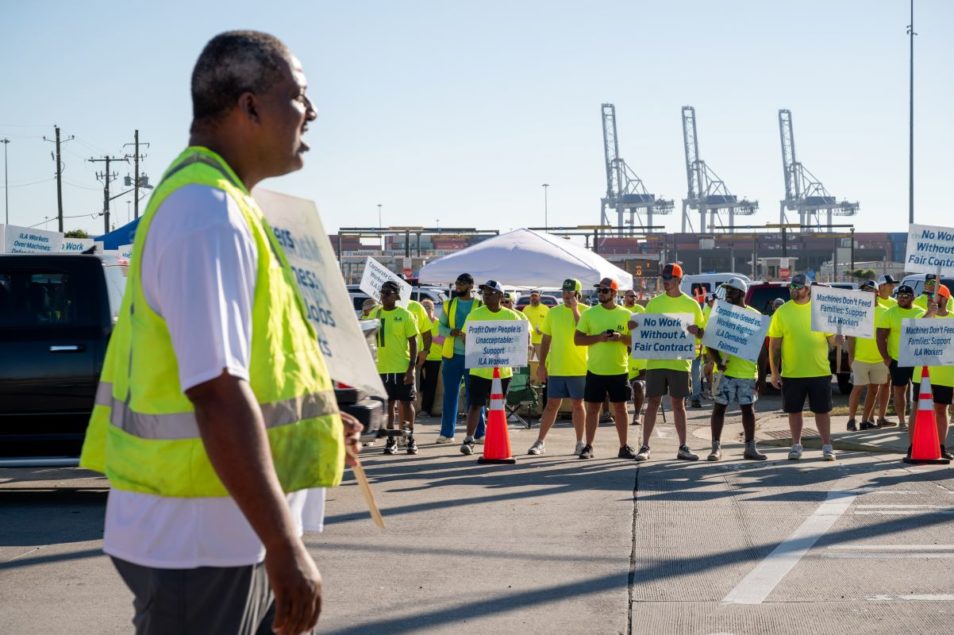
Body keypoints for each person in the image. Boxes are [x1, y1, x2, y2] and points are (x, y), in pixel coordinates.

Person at [78, 31, 361, 635]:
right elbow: (215, 391)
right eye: (300, 96)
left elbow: (245, 375)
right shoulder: (208, 214)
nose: (312, 112)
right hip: (201, 538)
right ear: (249, 105)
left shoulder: (221, 205)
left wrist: (318, 425)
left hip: (218, 533)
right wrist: (285, 548)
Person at [632, 264, 705, 462]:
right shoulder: (655, 303)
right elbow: (645, 330)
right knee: (653, 402)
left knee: (678, 404)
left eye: (669, 277)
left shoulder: (692, 305)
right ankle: (645, 446)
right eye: (663, 277)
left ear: (679, 280)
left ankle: (683, 446)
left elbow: (701, 334)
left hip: (680, 363)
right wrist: (634, 327)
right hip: (656, 362)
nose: (665, 280)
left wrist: (696, 332)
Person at [769, 273, 842, 461]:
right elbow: (774, 345)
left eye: (798, 287)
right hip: (793, 372)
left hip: (819, 370)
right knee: (794, 411)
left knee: (822, 411)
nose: (793, 289)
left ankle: (827, 446)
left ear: (808, 289)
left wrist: (838, 339)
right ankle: (796, 445)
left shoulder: (821, 310)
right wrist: (775, 372)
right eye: (791, 286)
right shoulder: (782, 312)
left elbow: (831, 339)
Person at [574, 277, 636, 459]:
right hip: (596, 370)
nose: (600, 293)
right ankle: (588, 446)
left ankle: (624, 446)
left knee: (621, 409)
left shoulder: (626, 314)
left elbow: (635, 340)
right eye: (599, 290)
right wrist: (599, 338)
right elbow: (577, 340)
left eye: (605, 290)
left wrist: (620, 338)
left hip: (619, 369)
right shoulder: (589, 314)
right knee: (593, 409)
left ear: (614, 293)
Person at [459, 280, 523, 455]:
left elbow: (521, 338)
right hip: (479, 369)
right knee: (475, 404)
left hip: (503, 372)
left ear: (500, 296)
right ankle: (469, 439)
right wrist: (478, 346)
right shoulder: (475, 314)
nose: (486, 295)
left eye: (490, 292)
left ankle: (497, 437)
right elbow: (465, 337)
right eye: (484, 292)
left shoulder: (512, 316)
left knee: (499, 406)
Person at [705, 278, 766, 461]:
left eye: (731, 291)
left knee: (748, 411)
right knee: (719, 409)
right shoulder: (721, 313)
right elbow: (709, 341)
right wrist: (717, 361)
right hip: (725, 372)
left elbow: (761, 350)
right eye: (727, 291)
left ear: (741, 293)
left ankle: (750, 447)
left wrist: (762, 377)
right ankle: (715, 448)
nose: (727, 295)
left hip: (747, 373)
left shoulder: (755, 316)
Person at [527, 278, 587, 456]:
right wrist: (542, 364)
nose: (566, 295)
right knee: (552, 404)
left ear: (578, 293)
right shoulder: (553, 313)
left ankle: (579, 442)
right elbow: (546, 339)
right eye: (564, 292)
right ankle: (540, 442)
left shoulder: (587, 312)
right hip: (557, 366)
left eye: (570, 292)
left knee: (578, 404)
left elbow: (583, 331)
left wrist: (575, 309)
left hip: (579, 367)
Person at [367, 281, 420, 455]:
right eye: (382, 293)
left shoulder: (405, 315)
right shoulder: (375, 313)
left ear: (397, 296)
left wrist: (411, 368)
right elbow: (367, 336)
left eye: (388, 293)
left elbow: (413, 341)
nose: (383, 296)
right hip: (382, 368)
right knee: (388, 404)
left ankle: (409, 436)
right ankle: (391, 438)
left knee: (406, 403)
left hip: (401, 367)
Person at [437, 273, 484, 443]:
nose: (458, 286)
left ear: (471, 286)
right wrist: (451, 332)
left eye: (462, 283)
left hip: (474, 356)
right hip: (452, 356)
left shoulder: (480, 304)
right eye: (457, 283)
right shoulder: (449, 304)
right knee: (450, 395)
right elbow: (439, 327)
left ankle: (480, 434)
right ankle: (447, 434)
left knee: (476, 397)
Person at [876, 284, 926, 430]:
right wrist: (886, 357)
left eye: (906, 296)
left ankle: (918, 420)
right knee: (899, 390)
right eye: (899, 296)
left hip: (917, 360)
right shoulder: (890, 313)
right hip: (897, 359)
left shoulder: (922, 312)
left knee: (921, 391)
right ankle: (902, 421)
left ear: (913, 297)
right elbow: (880, 337)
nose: (902, 298)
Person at [915, 285, 954, 459]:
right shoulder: (922, 316)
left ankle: (940, 447)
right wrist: (929, 314)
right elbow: (914, 333)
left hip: (946, 374)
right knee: (918, 410)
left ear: (945, 299)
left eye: (935, 297)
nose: (931, 300)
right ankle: (916, 446)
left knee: (941, 409)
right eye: (929, 298)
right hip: (923, 373)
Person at [845, 280, 887, 431]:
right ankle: (851, 420)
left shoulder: (884, 311)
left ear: (877, 293)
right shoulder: (856, 311)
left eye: (870, 290)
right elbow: (851, 337)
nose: (867, 293)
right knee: (857, 389)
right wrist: (851, 357)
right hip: (860, 359)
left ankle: (864, 421)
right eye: (864, 290)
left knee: (874, 390)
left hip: (879, 359)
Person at [873, 274, 898, 426]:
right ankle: (869, 417)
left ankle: (881, 417)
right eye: (889, 285)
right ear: (881, 286)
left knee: (886, 384)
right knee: (874, 387)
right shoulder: (873, 302)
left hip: (890, 351)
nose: (892, 287)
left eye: (893, 285)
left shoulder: (895, 303)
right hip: (873, 351)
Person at [622, 289, 647, 426]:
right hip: (624, 356)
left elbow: (646, 327)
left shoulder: (640, 309)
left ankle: (637, 414)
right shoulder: (620, 310)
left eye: (635, 296)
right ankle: (609, 413)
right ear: (624, 297)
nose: (634, 298)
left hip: (639, 356)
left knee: (638, 385)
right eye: (631, 296)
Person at [418, 298, 443, 417]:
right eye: (423, 307)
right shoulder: (418, 322)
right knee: (419, 384)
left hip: (435, 358)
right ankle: (418, 407)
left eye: (428, 307)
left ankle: (426, 410)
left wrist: (428, 337)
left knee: (430, 385)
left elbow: (443, 340)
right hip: (420, 356)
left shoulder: (439, 323)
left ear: (433, 309)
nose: (426, 309)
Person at [522, 289, 550, 361]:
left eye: (536, 296)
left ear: (539, 297)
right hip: (529, 341)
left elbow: (549, 323)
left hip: (541, 341)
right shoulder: (526, 309)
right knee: (527, 363)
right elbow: (523, 323)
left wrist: (542, 330)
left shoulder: (545, 309)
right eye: (532, 296)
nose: (534, 298)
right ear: (530, 298)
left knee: (542, 362)